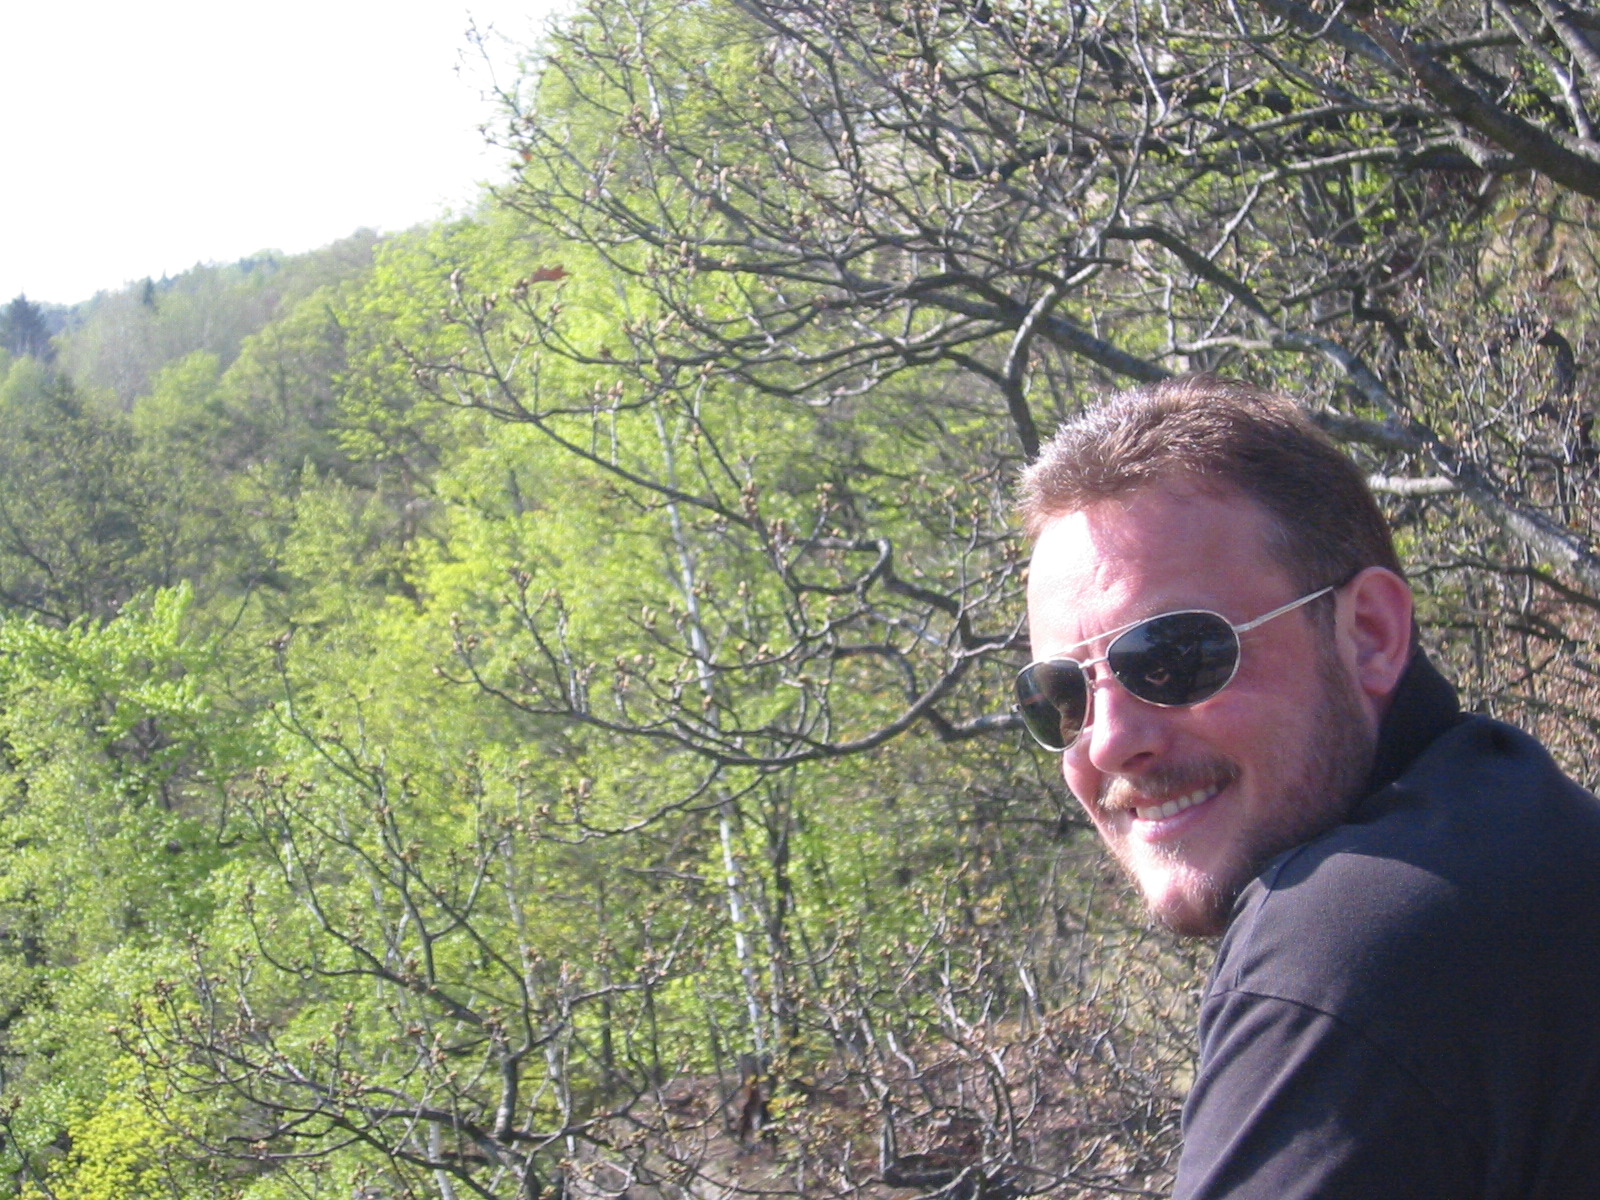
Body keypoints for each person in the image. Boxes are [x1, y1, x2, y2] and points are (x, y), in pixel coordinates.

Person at [1013, 374, 1600, 1198]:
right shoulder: (1521, 832)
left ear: (1371, 634)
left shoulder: (1349, 949)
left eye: (1173, 657)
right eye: (1061, 696)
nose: (1108, 741)